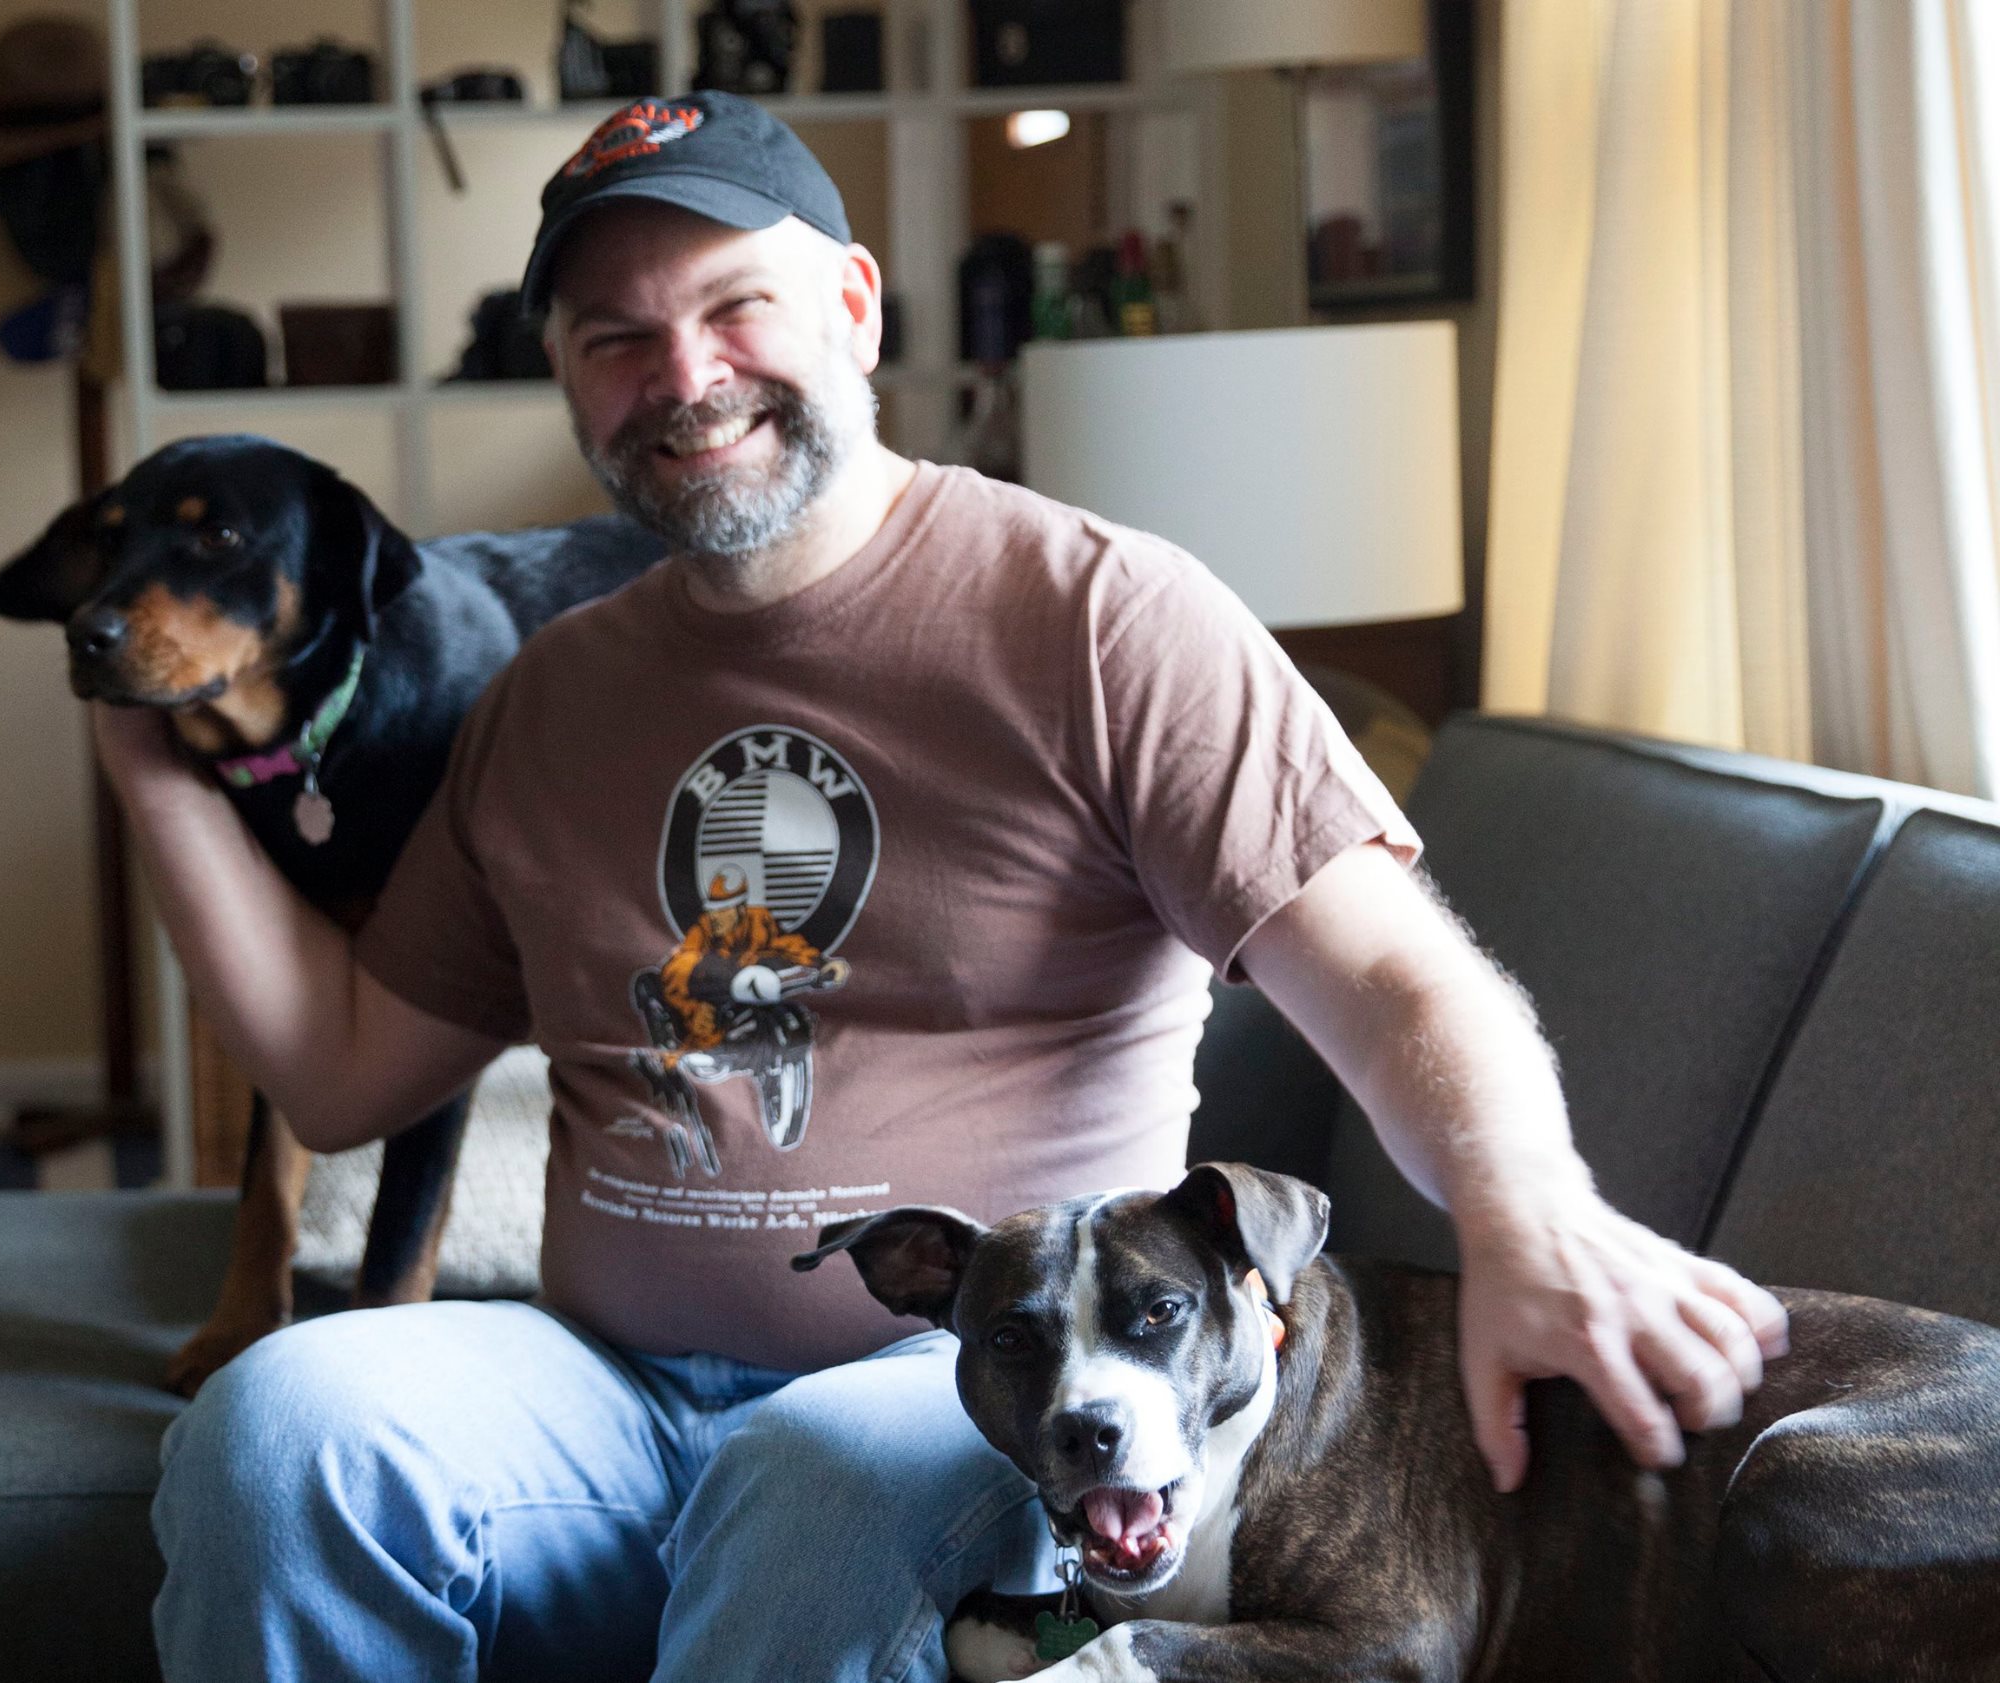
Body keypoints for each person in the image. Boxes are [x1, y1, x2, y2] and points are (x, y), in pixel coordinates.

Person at [99, 93, 1788, 1683]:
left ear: (855, 304)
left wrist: (1528, 1216)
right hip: (599, 1396)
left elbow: (1397, 976)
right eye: (614, 337)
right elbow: (339, 1074)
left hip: (981, 1391)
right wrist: (142, 759)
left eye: (734, 306)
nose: (682, 375)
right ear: (564, 374)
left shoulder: (1103, 619)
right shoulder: (546, 699)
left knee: (817, 1464)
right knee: (280, 1426)